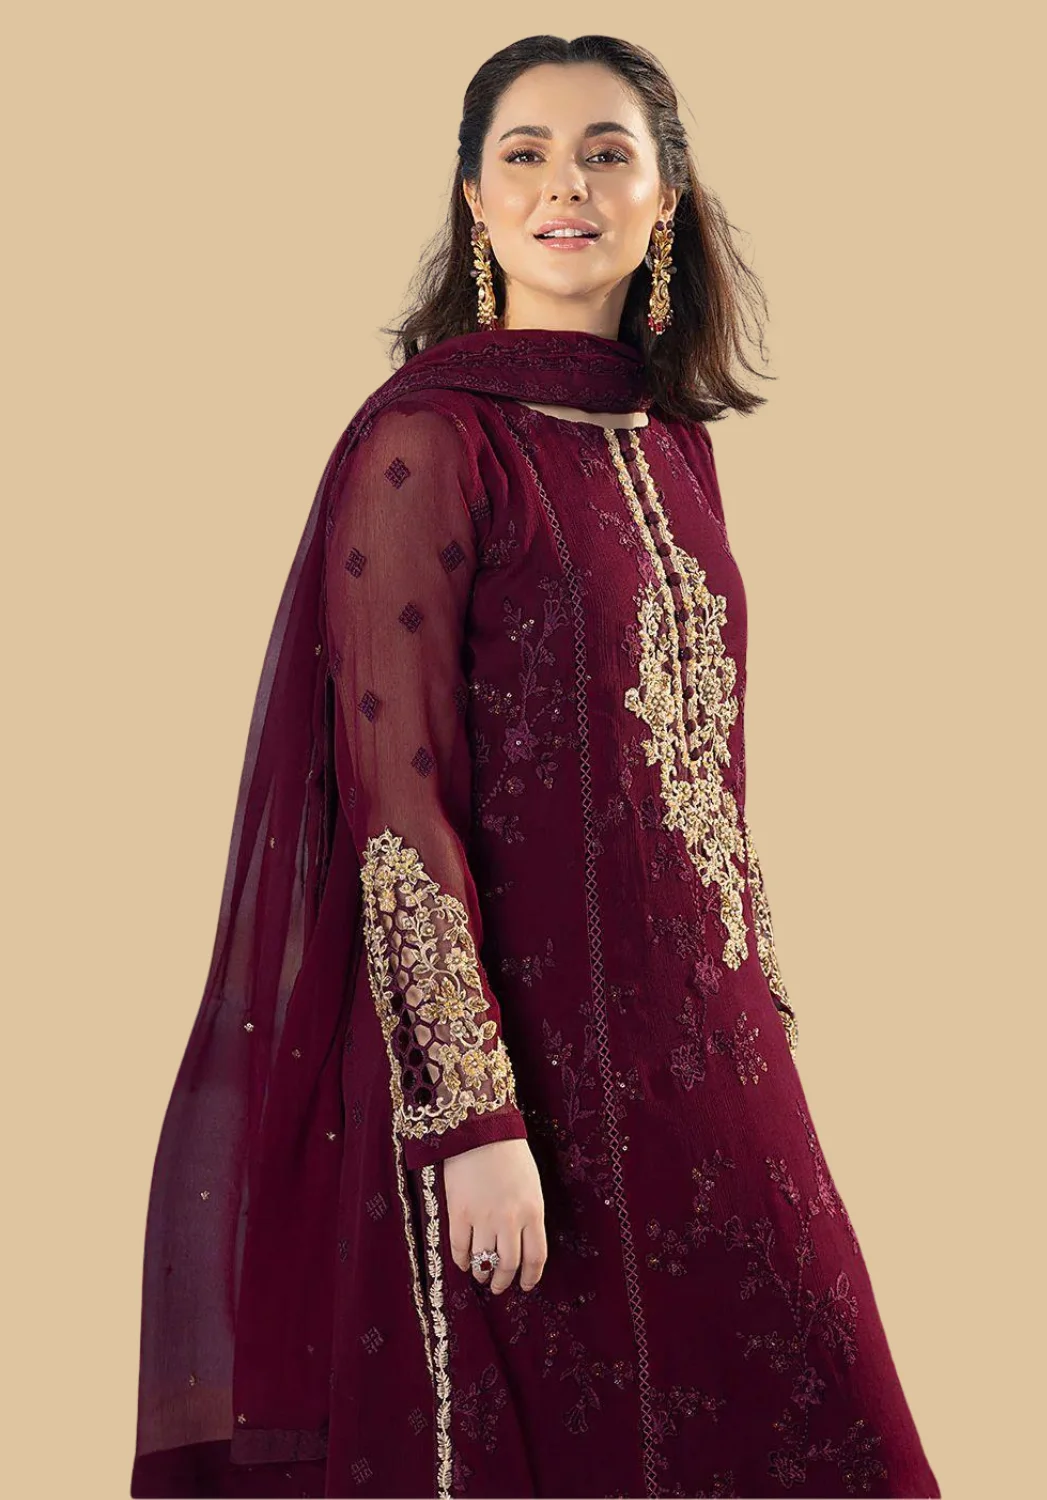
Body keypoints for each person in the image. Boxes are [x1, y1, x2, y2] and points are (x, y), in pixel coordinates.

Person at [130, 33, 941, 1500]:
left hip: (708, 1056)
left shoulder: (674, 445)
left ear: (665, 200)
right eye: (526, 154)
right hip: (520, 1072)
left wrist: (756, 1007)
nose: (566, 186)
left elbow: (704, 775)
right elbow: (398, 798)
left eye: (606, 154)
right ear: (475, 201)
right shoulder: (429, 443)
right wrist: (471, 1122)